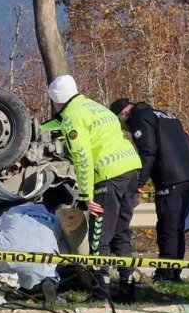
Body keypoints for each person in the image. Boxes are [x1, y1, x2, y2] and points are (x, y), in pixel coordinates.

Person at [47, 75, 142, 297]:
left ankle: (101, 291)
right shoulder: (95, 107)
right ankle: (128, 287)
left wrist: (86, 195)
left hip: (108, 175)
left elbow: (82, 157)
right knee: (120, 231)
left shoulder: (72, 117)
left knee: (99, 237)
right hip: (130, 169)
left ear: (56, 100)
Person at [110, 99, 189, 283]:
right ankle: (174, 273)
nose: (125, 130)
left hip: (170, 177)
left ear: (123, 115)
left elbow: (148, 151)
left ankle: (167, 275)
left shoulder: (139, 118)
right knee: (177, 227)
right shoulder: (167, 115)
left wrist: (140, 181)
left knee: (168, 228)